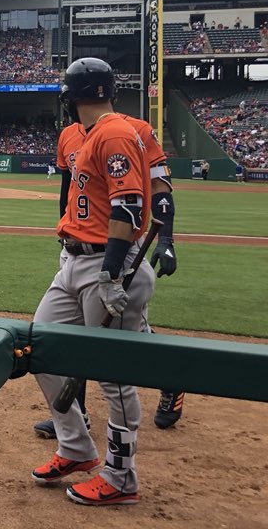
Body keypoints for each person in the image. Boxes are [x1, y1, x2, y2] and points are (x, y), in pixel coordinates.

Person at [30, 58, 155, 507]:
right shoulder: (91, 134)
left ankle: (122, 478)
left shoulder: (115, 132)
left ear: (73, 97)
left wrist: (110, 274)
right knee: (41, 348)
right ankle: (77, 448)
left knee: (113, 378)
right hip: (76, 263)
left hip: (108, 267)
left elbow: (127, 206)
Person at [33, 110, 184, 440]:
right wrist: (67, 234)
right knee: (73, 335)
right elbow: (68, 191)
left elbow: (160, 188)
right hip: (78, 250)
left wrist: (167, 240)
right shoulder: (68, 135)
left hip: (117, 250)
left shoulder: (137, 130)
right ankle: (80, 415)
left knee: (126, 344)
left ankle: (172, 379)